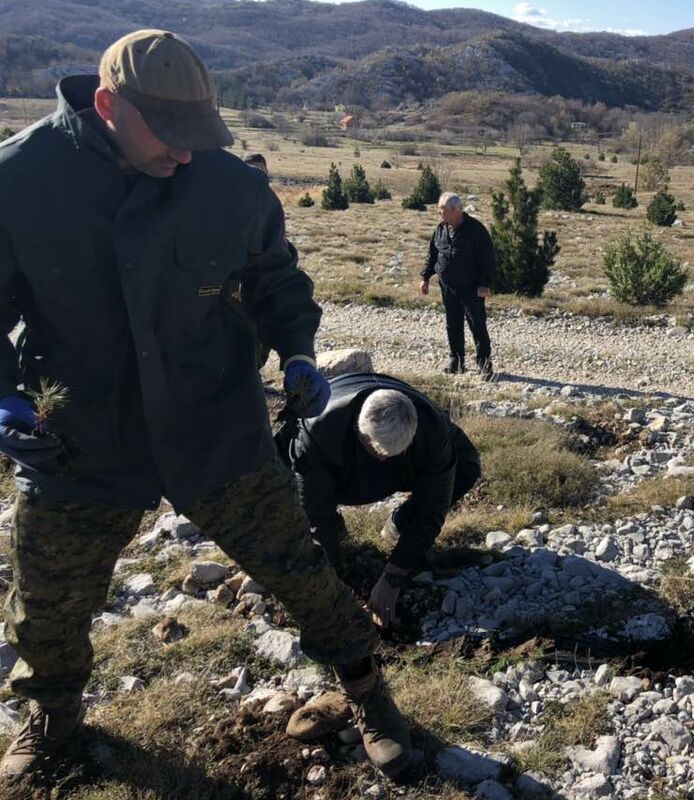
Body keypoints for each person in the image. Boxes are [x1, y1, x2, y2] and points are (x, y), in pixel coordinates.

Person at [0, 30, 409, 780]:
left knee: (297, 567)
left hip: (212, 421)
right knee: (47, 598)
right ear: (106, 107)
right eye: (169, 132)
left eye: (199, 132)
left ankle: (366, 689)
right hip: (82, 437)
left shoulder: (228, 184)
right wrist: (2, 396)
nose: (186, 153)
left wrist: (297, 352)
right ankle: (51, 716)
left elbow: (276, 281)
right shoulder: (19, 180)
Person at [277, 372, 481, 626]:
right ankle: (338, 537)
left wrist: (393, 577)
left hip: (399, 463)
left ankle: (400, 522)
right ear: (360, 431)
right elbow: (315, 513)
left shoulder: (433, 427)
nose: (383, 458)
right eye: (378, 452)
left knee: (466, 467)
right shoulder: (317, 431)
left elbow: (433, 508)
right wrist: (334, 586)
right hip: (335, 461)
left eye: (393, 453)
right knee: (292, 498)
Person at [420, 192, 496, 380]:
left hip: (471, 287)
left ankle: (484, 364)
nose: (439, 213)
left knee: (477, 325)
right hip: (447, 286)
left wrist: (485, 284)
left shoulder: (476, 230)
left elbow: (488, 259)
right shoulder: (441, 229)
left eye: (442, 210)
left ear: (455, 210)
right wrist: (425, 277)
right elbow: (433, 254)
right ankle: (456, 361)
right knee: (452, 324)